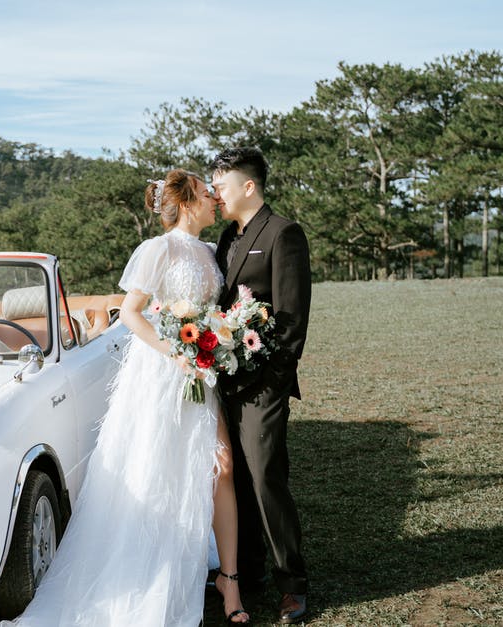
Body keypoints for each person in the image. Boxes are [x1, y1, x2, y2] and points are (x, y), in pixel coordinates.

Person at [0, 169, 249, 626]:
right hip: (162, 372)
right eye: (206, 192)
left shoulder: (213, 252)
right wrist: (175, 351)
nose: (215, 198)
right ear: (188, 200)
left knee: (221, 466)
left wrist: (215, 341)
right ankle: (154, 568)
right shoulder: (161, 248)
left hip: (201, 369)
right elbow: (132, 313)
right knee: (161, 468)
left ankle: (229, 579)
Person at [210, 147, 311, 625]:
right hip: (222, 383)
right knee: (234, 481)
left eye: (222, 186)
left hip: (263, 385)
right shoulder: (226, 238)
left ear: (248, 186)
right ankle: (246, 574)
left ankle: (293, 584)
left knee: (267, 476)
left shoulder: (284, 233)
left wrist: (269, 381)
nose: (217, 194)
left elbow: (291, 321)